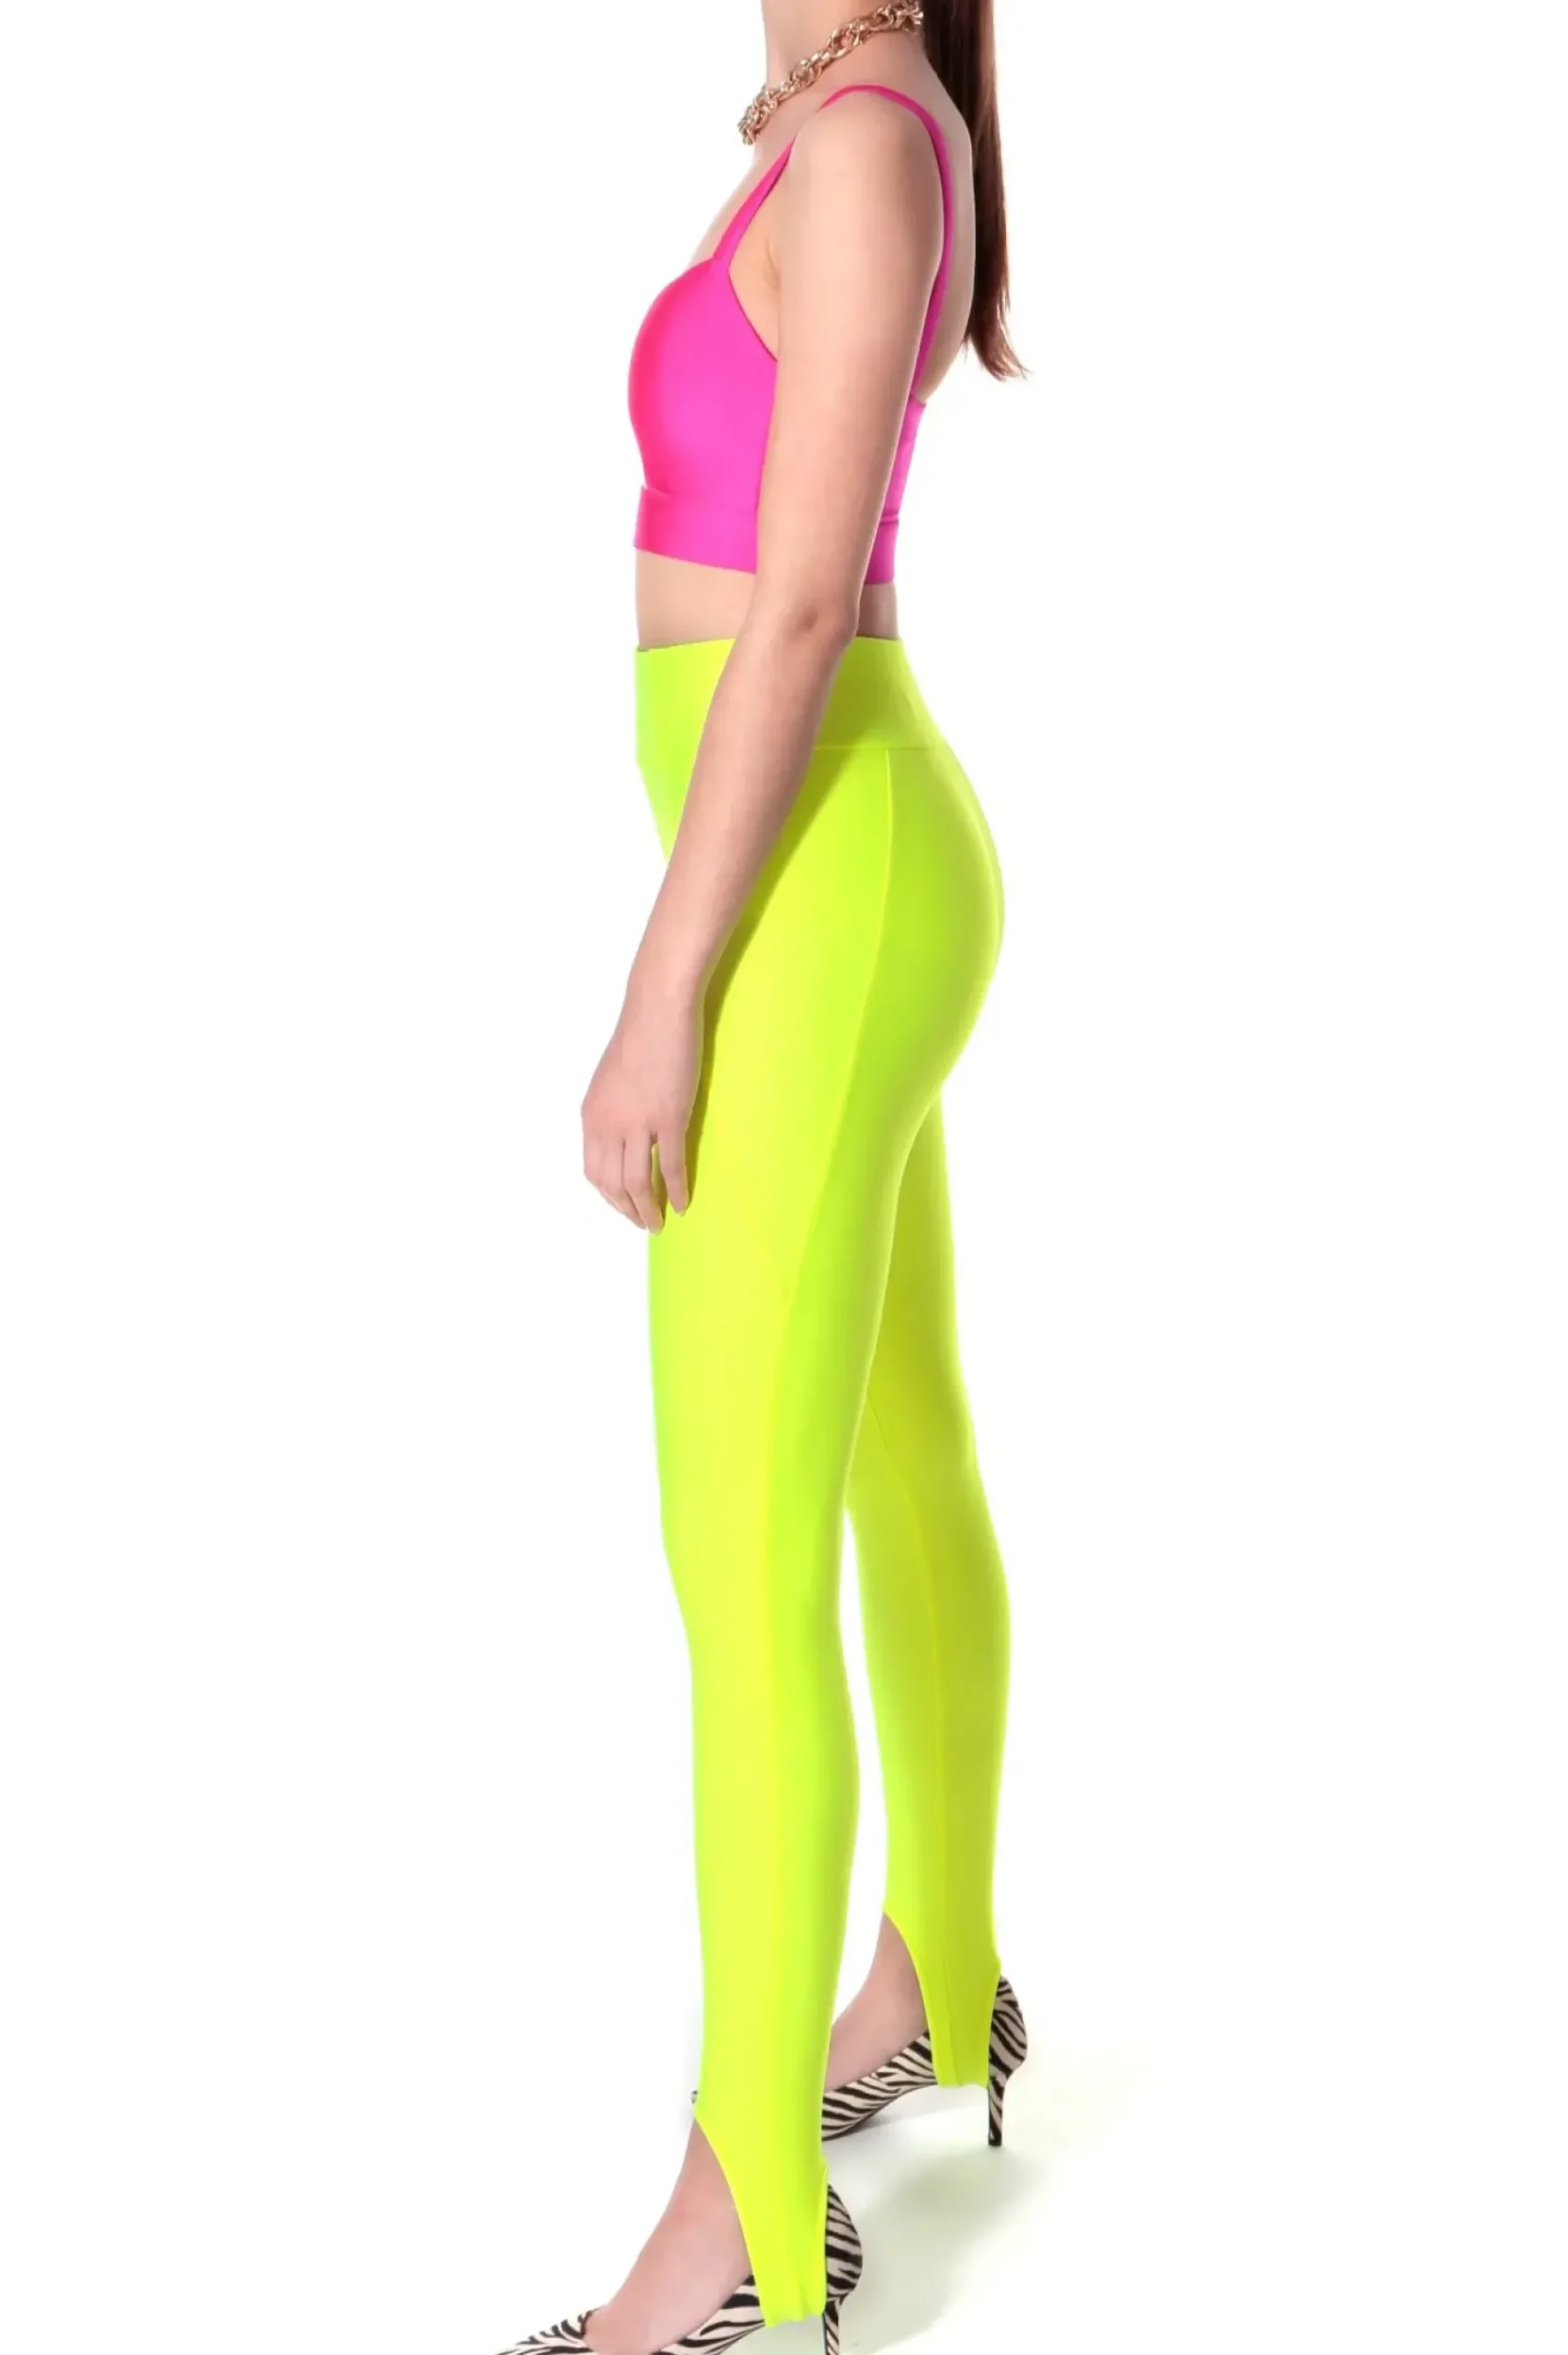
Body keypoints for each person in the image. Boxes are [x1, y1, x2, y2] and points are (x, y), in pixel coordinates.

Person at [505, 8, 1027, 2352]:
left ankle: (746, 2218)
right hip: (837, 868)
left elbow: (798, 604)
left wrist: (665, 986)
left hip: (813, 896)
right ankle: (942, 1970)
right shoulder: (852, 117)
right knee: (901, 1458)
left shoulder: (864, 136)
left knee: (743, 1574)